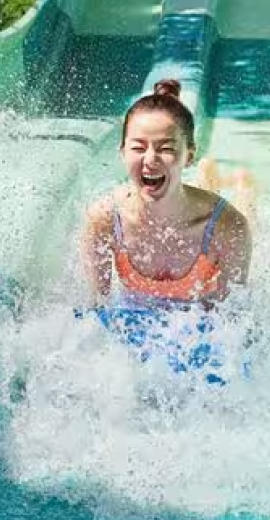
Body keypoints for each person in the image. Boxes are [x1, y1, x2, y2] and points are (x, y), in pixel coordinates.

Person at [77, 79, 257, 385]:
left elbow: (232, 320)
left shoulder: (228, 227)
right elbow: (97, 309)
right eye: (138, 147)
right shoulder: (104, 220)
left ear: (188, 155)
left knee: (247, 215)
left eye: (165, 148)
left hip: (211, 219)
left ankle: (242, 186)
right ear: (122, 152)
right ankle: (207, 178)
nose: (149, 160)